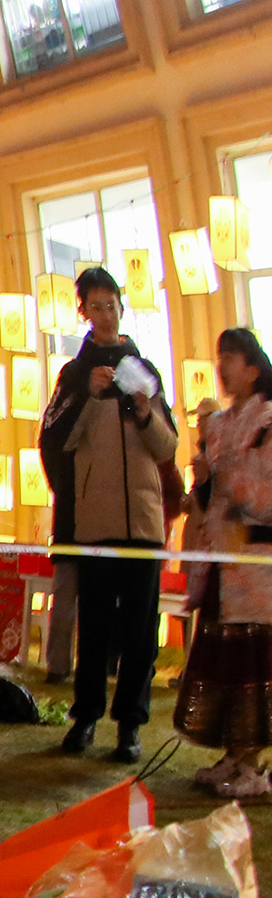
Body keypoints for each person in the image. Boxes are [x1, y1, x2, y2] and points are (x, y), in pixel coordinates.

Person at [46, 266, 179, 763]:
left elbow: (167, 446)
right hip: (95, 522)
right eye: (96, 306)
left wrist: (145, 413)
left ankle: (130, 726)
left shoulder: (145, 370)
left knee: (141, 630)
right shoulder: (75, 375)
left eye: (112, 305)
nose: (105, 315)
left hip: (143, 520)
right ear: (82, 311)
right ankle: (85, 717)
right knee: (96, 625)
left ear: (122, 308)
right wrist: (89, 395)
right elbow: (56, 440)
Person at [175, 328, 272, 798]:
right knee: (223, 663)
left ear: (253, 369)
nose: (222, 366)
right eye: (220, 356)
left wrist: (234, 484)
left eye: (231, 357)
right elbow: (211, 497)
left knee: (251, 663)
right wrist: (206, 483)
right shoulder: (218, 426)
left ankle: (253, 763)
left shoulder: (268, 423)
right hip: (220, 560)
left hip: (256, 564)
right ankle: (234, 754)